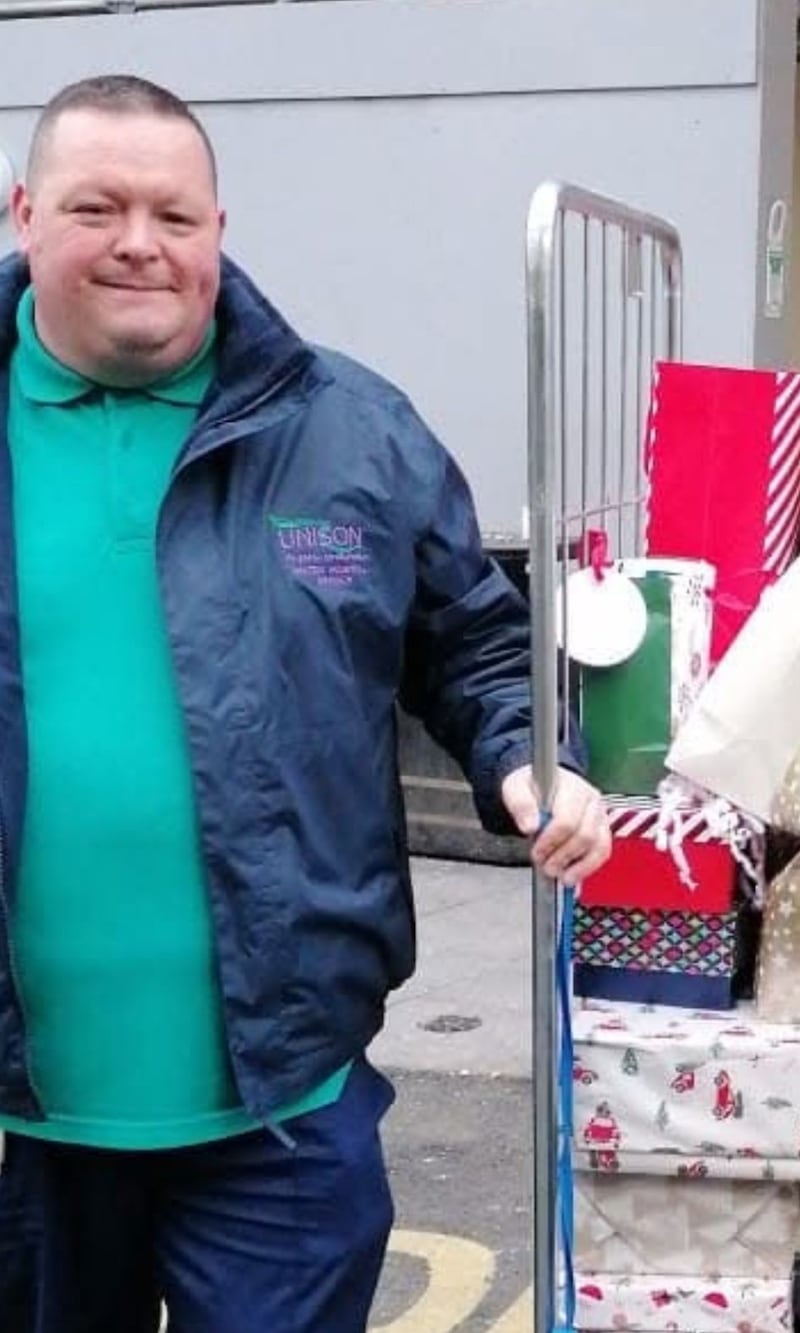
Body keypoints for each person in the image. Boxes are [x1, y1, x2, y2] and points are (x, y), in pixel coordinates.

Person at [0, 74, 611, 1333]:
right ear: (25, 213)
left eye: (173, 214)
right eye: (96, 206)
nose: (137, 242)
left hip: (285, 1112)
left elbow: (478, 642)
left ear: (219, 226)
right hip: (21, 1137)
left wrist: (519, 761)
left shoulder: (349, 433)